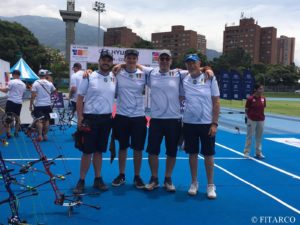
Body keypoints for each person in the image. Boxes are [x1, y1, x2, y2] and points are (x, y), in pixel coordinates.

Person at [73, 50, 116, 194]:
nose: (106, 62)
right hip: (90, 119)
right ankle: (81, 180)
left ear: (112, 63)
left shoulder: (114, 77)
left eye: (109, 60)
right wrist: (79, 118)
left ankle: (98, 179)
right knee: (87, 152)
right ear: (99, 61)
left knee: (99, 151)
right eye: (103, 60)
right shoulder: (89, 76)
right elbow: (79, 99)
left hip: (106, 120)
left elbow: (127, 66)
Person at [181, 54, 220, 199]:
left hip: (206, 123)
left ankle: (210, 185)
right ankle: (194, 182)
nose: (191, 65)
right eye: (188, 63)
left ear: (199, 63)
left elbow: (216, 101)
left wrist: (214, 123)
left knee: (209, 155)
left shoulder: (210, 77)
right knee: (192, 153)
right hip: (189, 123)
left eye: (194, 63)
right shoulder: (184, 77)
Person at [112, 49, 149, 189]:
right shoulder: (117, 73)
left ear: (137, 59)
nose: (131, 60)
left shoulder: (144, 74)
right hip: (122, 116)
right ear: (125, 58)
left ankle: (137, 176)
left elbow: (161, 74)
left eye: (134, 58)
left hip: (138, 117)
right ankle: (121, 174)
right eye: (129, 58)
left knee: (138, 149)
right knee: (122, 147)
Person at [144, 50, 181, 192]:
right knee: (153, 151)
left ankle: (168, 179)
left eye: (167, 59)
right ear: (158, 60)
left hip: (173, 120)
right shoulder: (151, 72)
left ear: (171, 61)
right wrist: (120, 66)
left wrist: (206, 69)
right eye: (162, 58)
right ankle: (154, 179)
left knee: (171, 152)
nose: (164, 61)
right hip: (157, 120)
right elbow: (135, 66)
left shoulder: (178, 74)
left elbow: (195, 69)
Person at [29, 69, 56, 141]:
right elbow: (54, 91)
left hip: (39, 105)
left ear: (38, 75)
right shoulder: (49, 83)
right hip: (47, 105)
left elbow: (33, 96)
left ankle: (40, 135)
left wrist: (30, 105)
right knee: (47, 120)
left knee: (39, 121)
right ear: (45, 75)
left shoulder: (35, 83)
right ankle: (45, 135)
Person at [0, 70, 26, 138]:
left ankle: (8, 133)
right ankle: (16, 132)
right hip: (19, 103)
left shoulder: (12, 82)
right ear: (19, 75)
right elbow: (23, 94)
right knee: (17, 117)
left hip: (11, 101)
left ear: (14, 75)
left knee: (8, 117)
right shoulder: (23, 84)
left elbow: (5, 90)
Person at [243, 84, 266, 159]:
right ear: (256, 90)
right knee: (249, 136)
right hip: (252, 119)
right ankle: (246, 152)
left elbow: (263, 108)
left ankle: (258, 153)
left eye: (262, 89)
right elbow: (246, 109)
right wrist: (247, 117)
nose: (261, 90)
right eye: (260, 89)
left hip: (261, 119)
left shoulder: (263, 99)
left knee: (259, 137)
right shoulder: (250, 98)